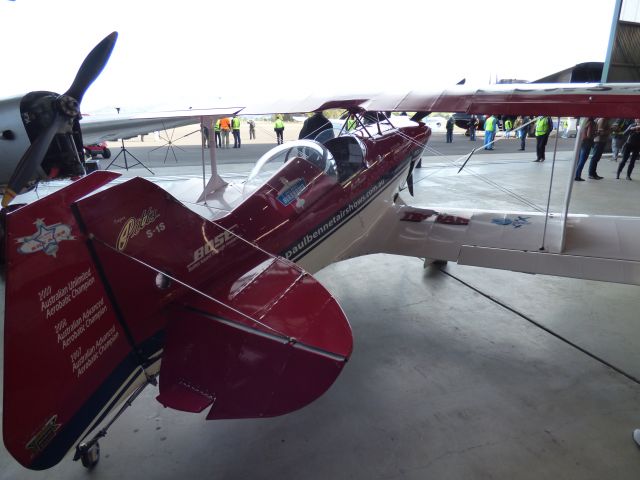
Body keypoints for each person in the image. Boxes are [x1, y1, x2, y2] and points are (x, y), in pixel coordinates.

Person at [574, 117, 596, 181]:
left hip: (581, 142)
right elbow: (589, 135)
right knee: (582, 160)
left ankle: (575, 175)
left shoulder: (582, 122)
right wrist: (595, 134)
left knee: (578, 160)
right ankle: (577, 176)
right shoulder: (591, 123)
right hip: (587, 143)